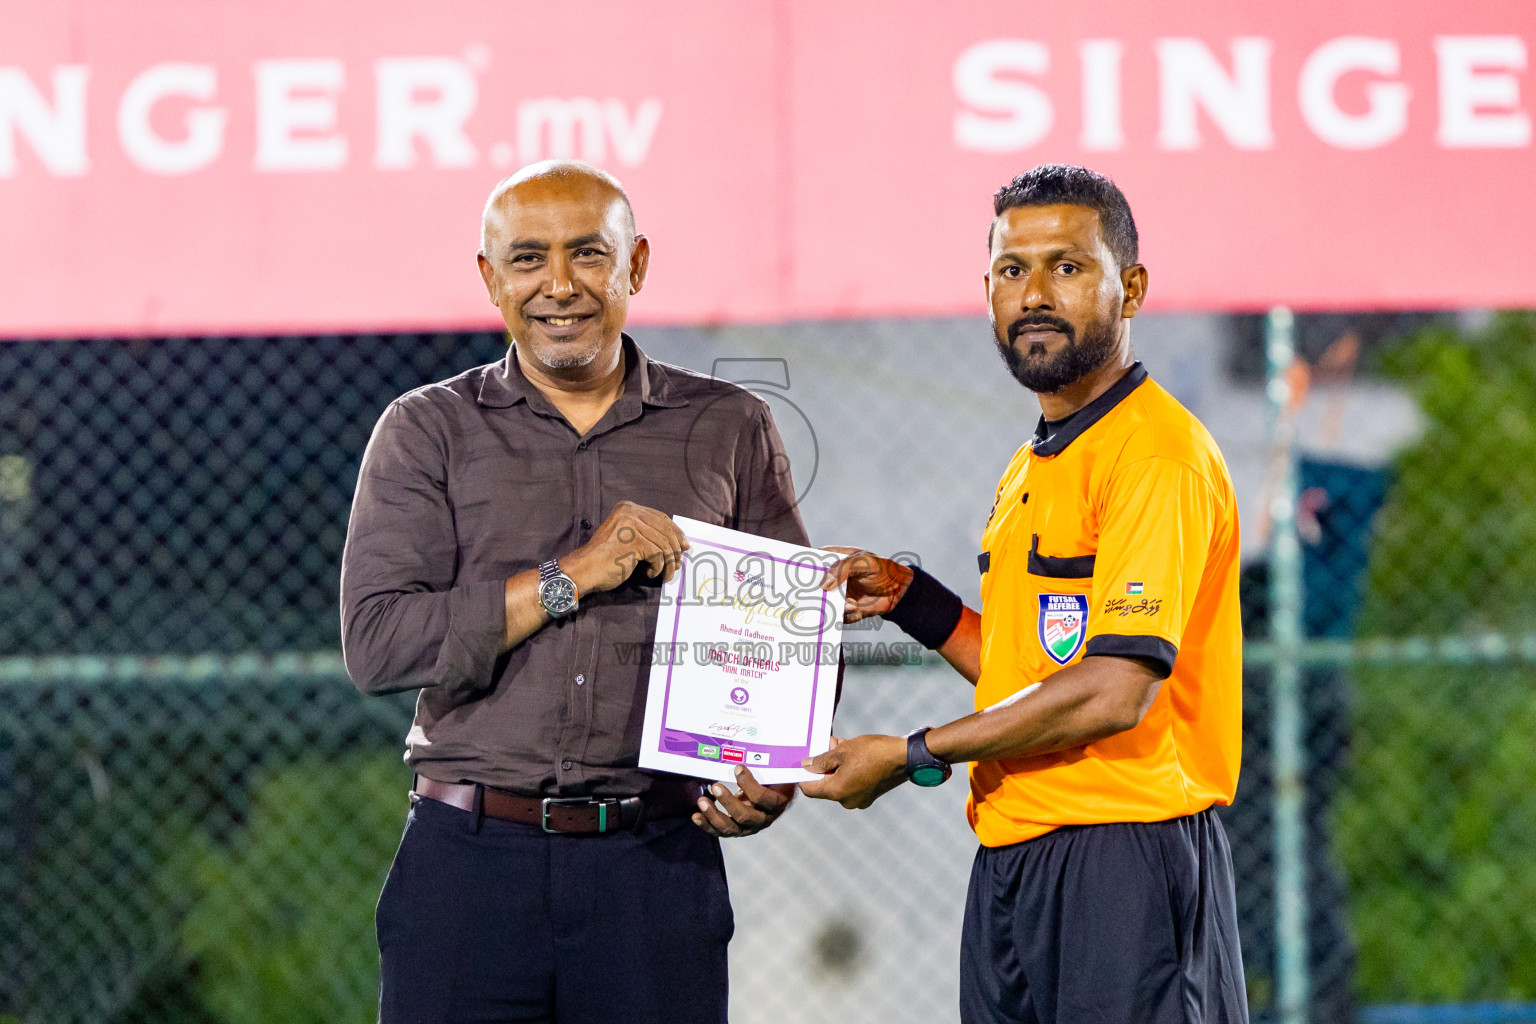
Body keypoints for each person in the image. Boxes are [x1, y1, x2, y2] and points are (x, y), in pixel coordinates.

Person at [340, 160, 804, 1024]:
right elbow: (380, 644)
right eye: (528, 259)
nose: (560, 285)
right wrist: (572, 575)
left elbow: (786, 631)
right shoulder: (426, 429)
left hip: (657, 869)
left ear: (636, 266)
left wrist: (769, 772)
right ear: (489, 277)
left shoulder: (728, 425)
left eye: (588, 254)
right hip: (466, 870)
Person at [801, 164, 1248, 1024]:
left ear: (1133, 287)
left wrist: (912, 754)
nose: (1035, 294)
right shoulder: (1038, 456)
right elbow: (1030, 668)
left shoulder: (1155, 452)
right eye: (1014, 271)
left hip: (1126, 859)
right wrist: (909, 599)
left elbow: (1113, 690)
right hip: (1016, 854)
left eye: (1068, 267)